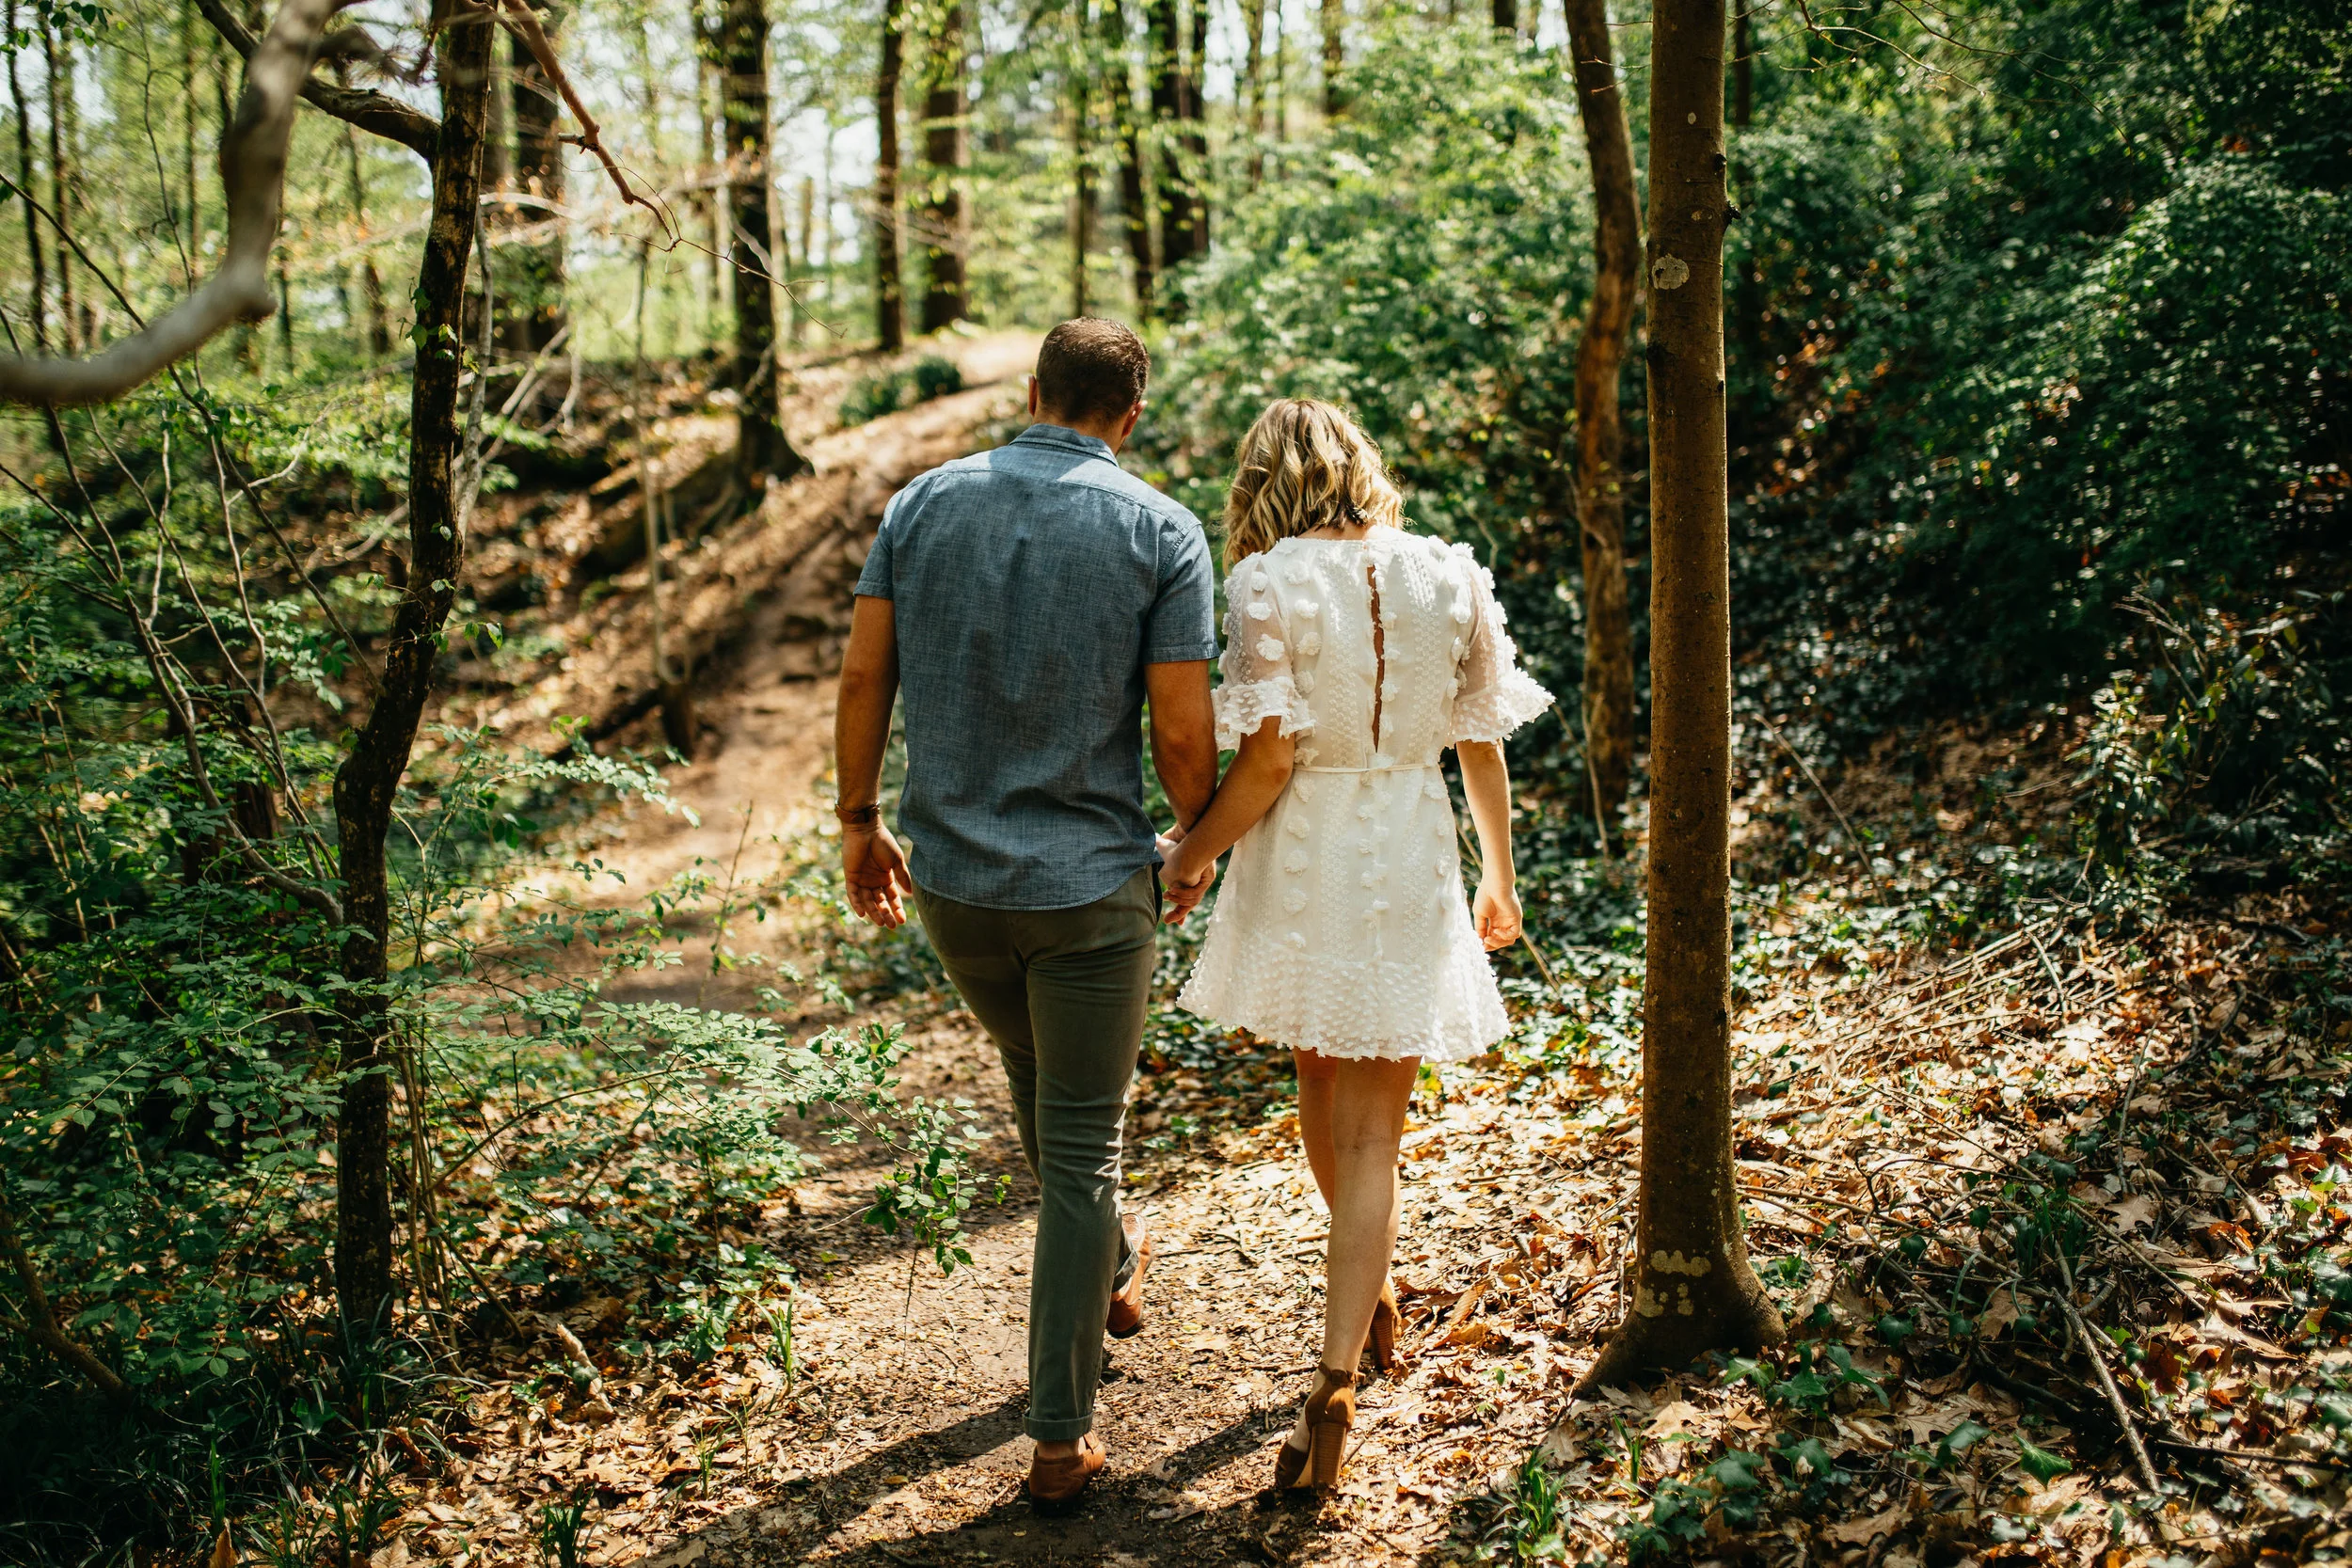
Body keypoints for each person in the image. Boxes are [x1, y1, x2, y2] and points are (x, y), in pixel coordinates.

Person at [833, 319, 1220, 1505]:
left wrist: (858, 818)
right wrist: (1195, 835)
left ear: (1036, 390)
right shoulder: (1161, 528)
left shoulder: (919, 505)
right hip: (1091, 890)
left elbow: (862, 675)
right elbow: (1177, 727)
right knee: (1081, 1151)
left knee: (1046, 1091)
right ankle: (1059, 1435)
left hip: (953, 888)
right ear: (1129, 414)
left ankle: (1108, 1264)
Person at [1162, 399, 1550, 1490]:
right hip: (1414, 844)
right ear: (1359, 466)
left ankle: (1357, 1297)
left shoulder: (1265, 581)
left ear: (1265, 479)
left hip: (1305, 855)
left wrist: (1189, 853)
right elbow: (1477, 739)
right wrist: (1498, 871)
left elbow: (1271, 759)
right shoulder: (1447, 570)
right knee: (1377, 1129)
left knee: (1316, 1081)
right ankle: (1336, 1370)